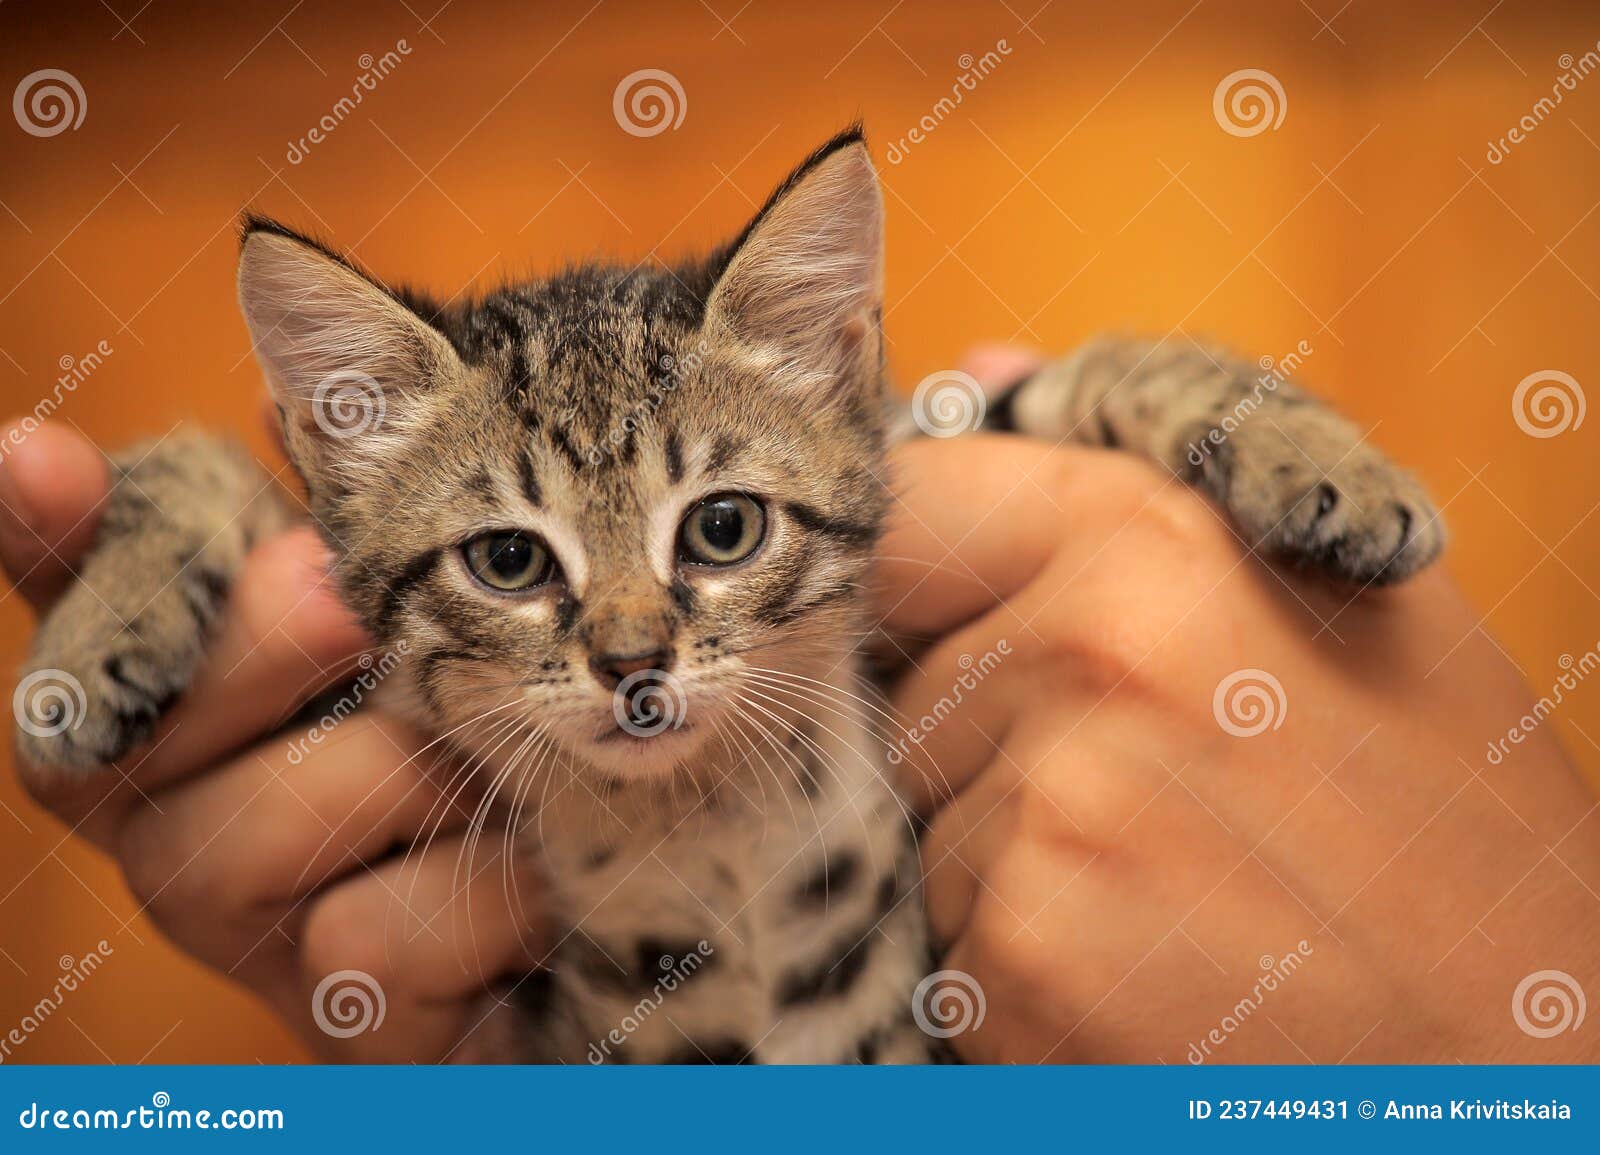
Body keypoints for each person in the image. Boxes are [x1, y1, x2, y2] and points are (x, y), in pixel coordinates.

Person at [4, 347, 1596, 1063]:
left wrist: (1249, 437)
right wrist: (161, 538)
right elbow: (235, 495)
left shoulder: (875, 529)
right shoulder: (448, 702)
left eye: (713, 530)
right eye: (516, 556)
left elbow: (1092, 386)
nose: (633, 640)